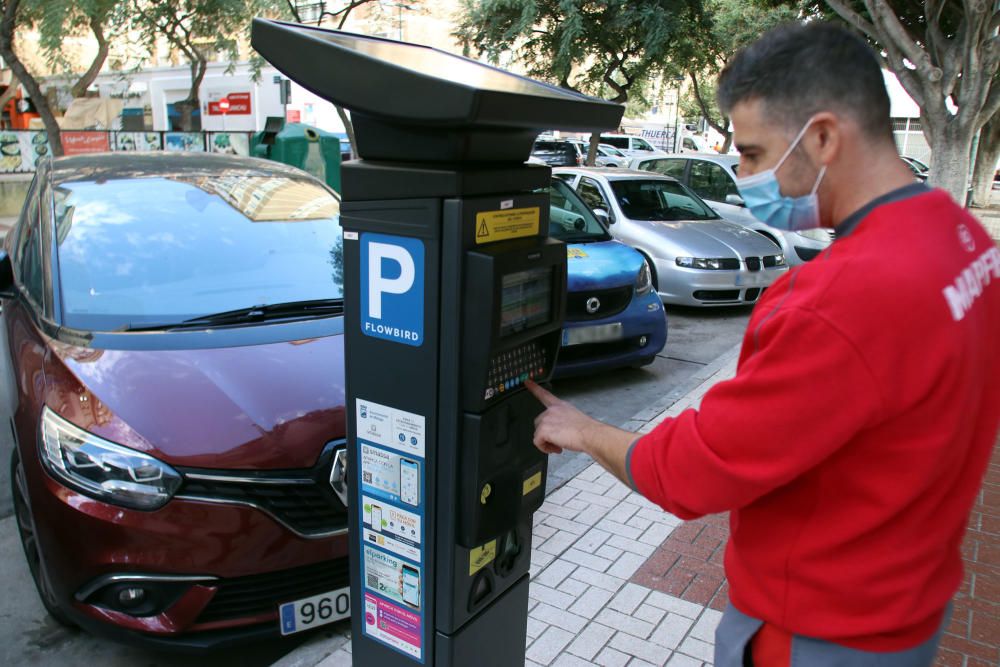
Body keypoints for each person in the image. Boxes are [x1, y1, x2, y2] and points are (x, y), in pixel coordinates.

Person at [526, 21, 1000, 667]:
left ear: (825, 136)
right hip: (908, 605)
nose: (745, 174)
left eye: (751, 153)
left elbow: (695, 470)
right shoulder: (963, 237)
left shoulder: (843, 296)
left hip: (817, 629)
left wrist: (582, 430)